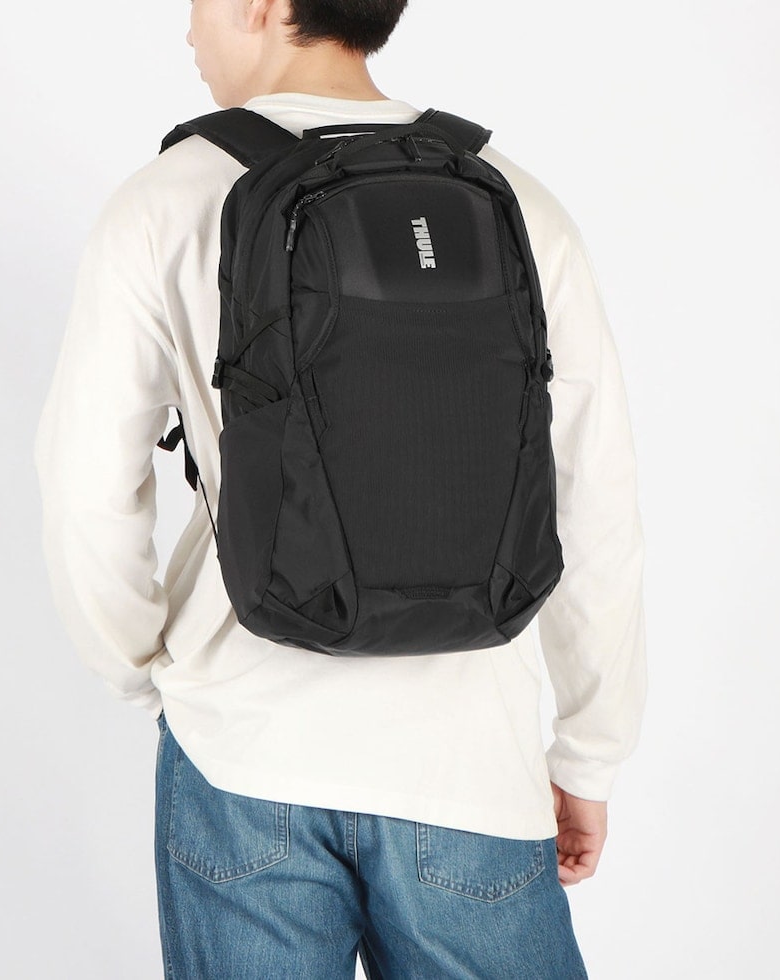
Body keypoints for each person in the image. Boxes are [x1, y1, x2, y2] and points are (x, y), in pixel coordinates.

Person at [33, 1, 647, 976]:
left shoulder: (162, 202)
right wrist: (587, 750)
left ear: (261, 3)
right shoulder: (519, 204)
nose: (187, 28)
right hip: (468, 766)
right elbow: (594, 502)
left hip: (242, 748)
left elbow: (85, 489)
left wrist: (151, 673)